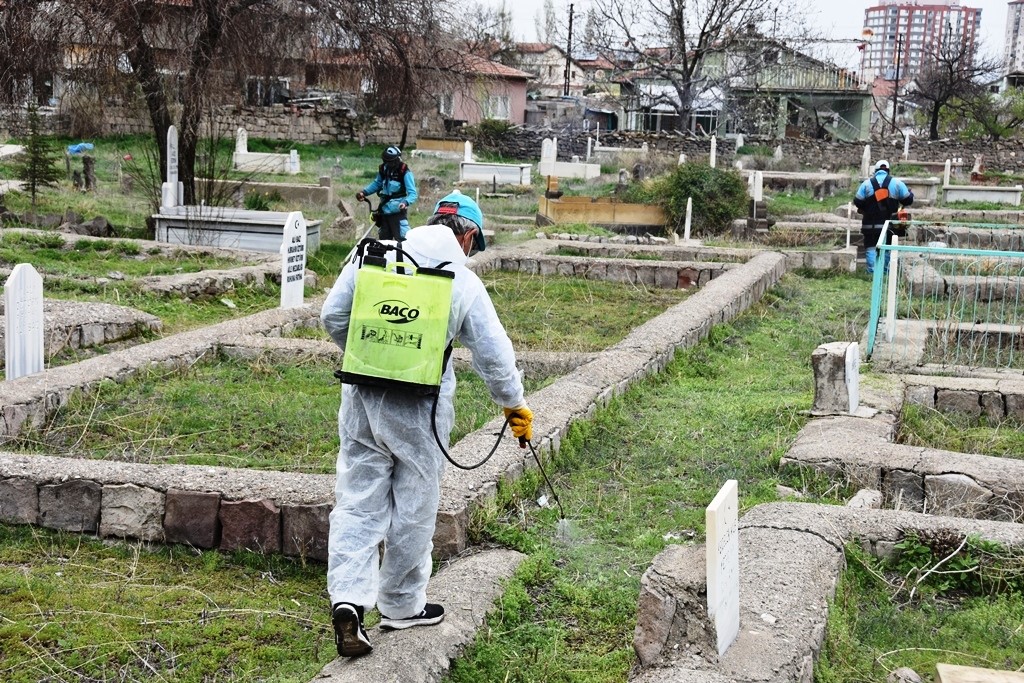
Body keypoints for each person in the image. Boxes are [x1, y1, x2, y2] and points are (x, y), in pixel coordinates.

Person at [321, 190, 533, 658]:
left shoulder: (371, 253)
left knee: (357, 501)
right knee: (415, 503)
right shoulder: (460, 279)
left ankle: (349, 600)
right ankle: (400, 604)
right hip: (421, 409)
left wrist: (372, 355)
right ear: (469, 235)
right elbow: (494, 358)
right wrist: (514, 407)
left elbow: (332, 316)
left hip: (362, 401)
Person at [853, 159, 914, 274]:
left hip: (869, 225)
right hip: (889, 225)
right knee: (887, 248)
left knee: (871, 247)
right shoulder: (897, 183)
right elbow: (908, 199)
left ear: (875, 171)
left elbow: (857, 201)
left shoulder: (866, 184)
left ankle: (872, 272)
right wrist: (910, 194)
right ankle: (885, 271)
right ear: (888, 171)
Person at [356, 146, 418, 241]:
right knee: (383, 242)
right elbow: (377, 184)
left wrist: (405, 202)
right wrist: (364, 192)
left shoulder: (404, 171)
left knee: (402, 240)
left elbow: (413, 193)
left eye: (390, 162)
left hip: (398, 213)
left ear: (396, 159)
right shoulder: (383, 169)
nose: (388, 164)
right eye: (386, 161)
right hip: (384, 212)